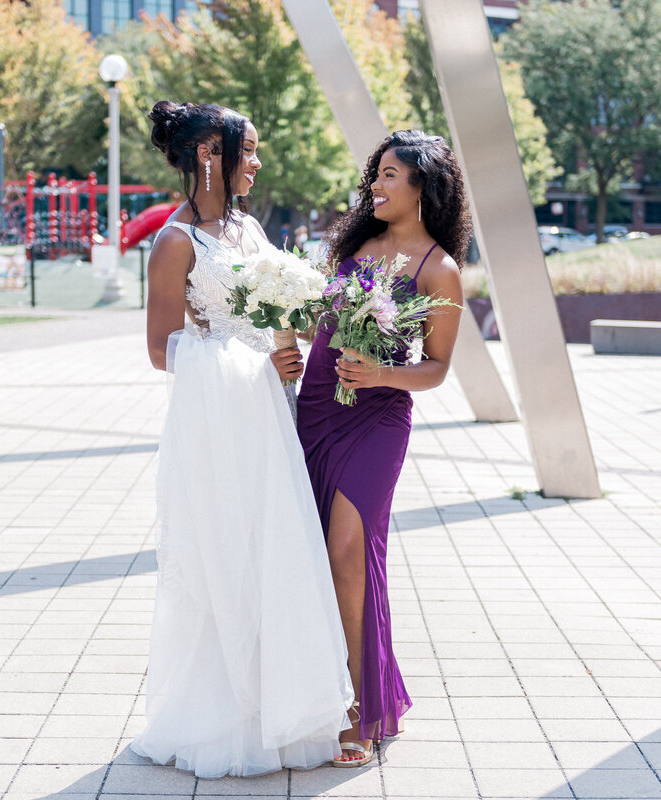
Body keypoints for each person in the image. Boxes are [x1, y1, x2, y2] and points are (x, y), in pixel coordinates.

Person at [134, 100, 353, 778]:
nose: (256, 162)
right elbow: (161, 349)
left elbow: (277, 316)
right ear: (209, 153)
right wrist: (247, 361)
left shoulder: (248, 227)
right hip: (223, 421)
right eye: (247, 150)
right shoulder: (175, 243)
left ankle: (289, 709)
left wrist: (291, 345)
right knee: (230, 555)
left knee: (279, 549)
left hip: (272, 411)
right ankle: (227, 720)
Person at [296, 130, 469, 767]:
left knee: (348, 548)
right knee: (317, 554)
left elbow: (438, 367)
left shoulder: (439, 269)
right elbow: (319, 322)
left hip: (378, 417)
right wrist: (283, 337)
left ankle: (359, 710)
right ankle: (332, 691)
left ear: (423, 187)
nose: (375, 184)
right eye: (376, 173)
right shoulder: (354, 245)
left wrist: (380, 374)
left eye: (389, 175)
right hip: (318, 407)